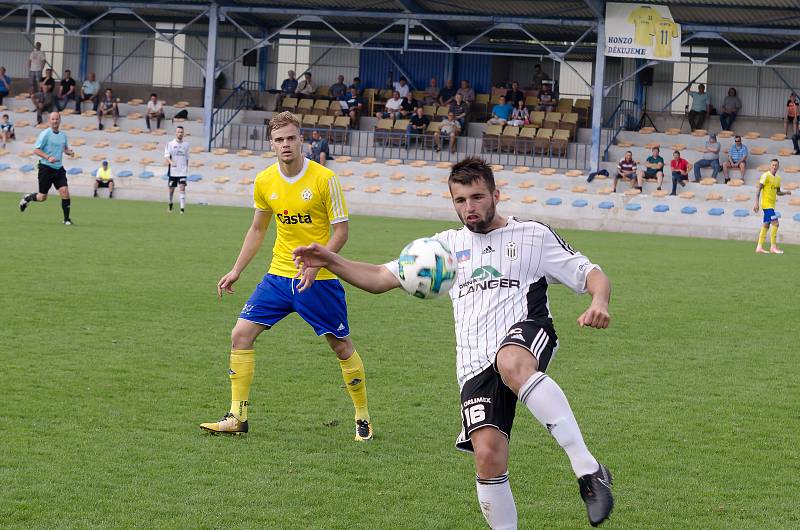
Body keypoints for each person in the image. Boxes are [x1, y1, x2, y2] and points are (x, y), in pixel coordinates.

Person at [292, 156, 615, 528]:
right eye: (460, 200)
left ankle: (588, 471)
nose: (470, 207)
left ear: (496, 194)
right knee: (488, 456)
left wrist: (599, 301)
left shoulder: (532, 235)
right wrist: (330, 259)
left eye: (477, 197)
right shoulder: (442, 247)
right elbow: (381, 277)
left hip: (526, 330)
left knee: (511, 362)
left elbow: (591, 272)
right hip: (474, 361)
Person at [201, 111, 373, 442]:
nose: (285, 145)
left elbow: (341, 231)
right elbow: (257, 228)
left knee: (341, 347)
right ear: (271, 144)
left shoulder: (325, 179)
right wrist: (236, 269)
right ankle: (238, 416)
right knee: (240, 335)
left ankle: (362, 416)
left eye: (291, 138)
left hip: (319, 280)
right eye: (279, 140)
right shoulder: (265, 181)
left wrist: (317, 263)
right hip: (279, 276)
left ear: (301, 139)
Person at [18, 111, 75, 225]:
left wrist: (69, 152)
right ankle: (27, 198)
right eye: (53, 119)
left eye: (57, 119)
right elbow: (36, 150)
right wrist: (48, 157)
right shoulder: (45, 134)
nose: (55, 121)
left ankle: (66, 219)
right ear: (49, 121)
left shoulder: (63, 135)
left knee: (65, 192)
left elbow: (64, 148)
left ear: (60, 120)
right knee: (42, 197)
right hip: (46, 168)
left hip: (58, 169)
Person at [754, 159, 791, 254]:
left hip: (772, 205)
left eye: (776, 165)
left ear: (778, 167)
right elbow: (759, 189)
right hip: (766, 205)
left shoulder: (778, 178)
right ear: (770, 166)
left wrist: (785, 193)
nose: (774, 167)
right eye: (773, 165)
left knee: (766, 225)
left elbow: (778, 192)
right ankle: (773, 247)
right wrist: (756, 203)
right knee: (776, 223)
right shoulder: (765, 176)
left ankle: (759, 247)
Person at [164, 125, 189, 213]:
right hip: (173, 171)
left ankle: (182, 210)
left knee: (182, 188)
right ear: (176, 133)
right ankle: (170, 204)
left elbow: (187, 158)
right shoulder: (170, 144)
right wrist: (171, 163)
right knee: (171, 190)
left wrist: (186, 169)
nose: (180, 133)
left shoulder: (186, 145)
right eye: (178, 132)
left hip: (182, 171)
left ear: (183, 133)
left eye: (181, 132)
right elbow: (166, 156)